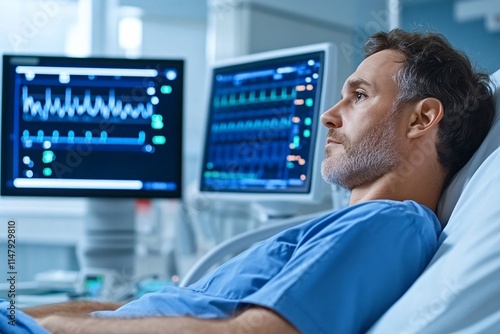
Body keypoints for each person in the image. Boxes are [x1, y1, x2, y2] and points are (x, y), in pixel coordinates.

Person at [6, 28, 496, 334]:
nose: (328, 115)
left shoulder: (393, 224)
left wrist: (52, 329)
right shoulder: (344, 227)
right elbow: (170, 308)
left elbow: (259, 332)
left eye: (359, 95)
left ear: (422, 119)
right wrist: (36, 316)